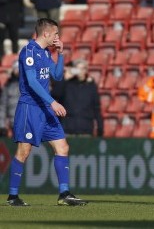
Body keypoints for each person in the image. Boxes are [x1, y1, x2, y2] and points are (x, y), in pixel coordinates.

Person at [6, 18, 87, 206]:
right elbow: (33, 82)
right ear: (46, 34)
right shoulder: (29, 51)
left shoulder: (44, 52)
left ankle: (64, 194)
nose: (58, 37)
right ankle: (12, 196)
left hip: (45, 108)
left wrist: (61, 53)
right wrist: (53, 102)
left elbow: (57, 75)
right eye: (56, 34)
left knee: (63, 147)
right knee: (23, 151)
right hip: (30, 108)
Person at [51, 59, 103, 137]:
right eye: (77, 68)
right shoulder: (67, 84)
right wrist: (64, 79)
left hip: (85, 129)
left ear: (86, 70)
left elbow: (96, 108)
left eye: (82, 68)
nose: (80, 71)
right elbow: (55, 94)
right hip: (67, 128)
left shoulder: (91, 86)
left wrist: (100, 128)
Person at [0, 59, 19, 138]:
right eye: (17, 68)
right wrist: (2, 125)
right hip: (14, 124)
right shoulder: (8, 87)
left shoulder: (32, 85)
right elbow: (2, 107)